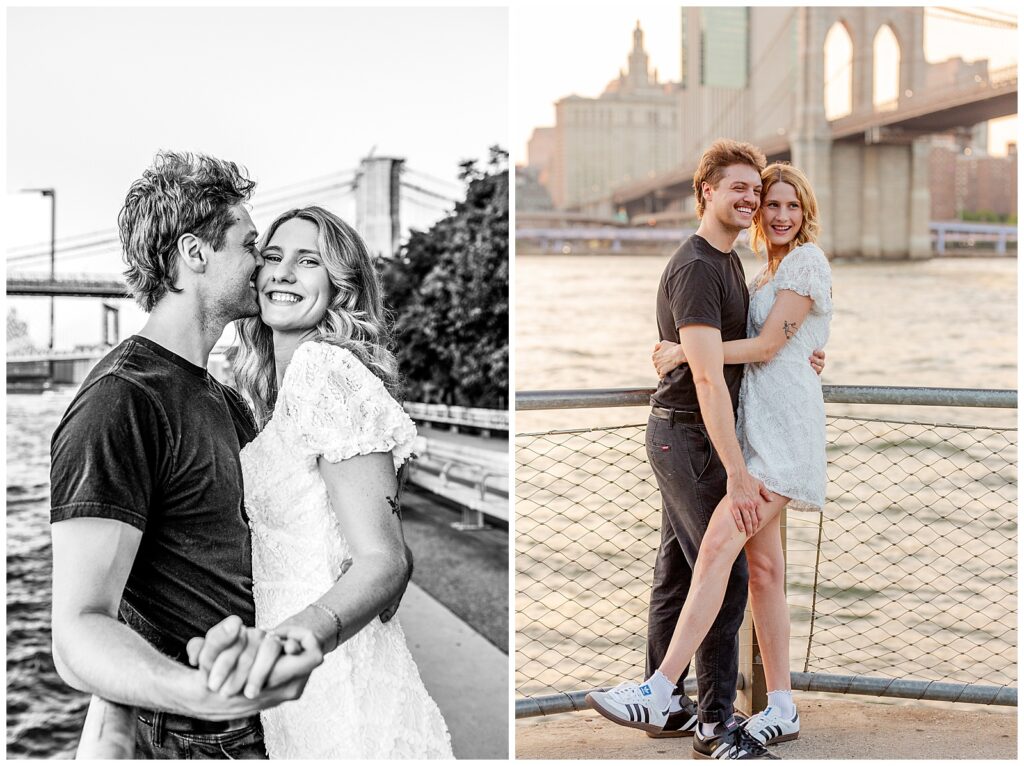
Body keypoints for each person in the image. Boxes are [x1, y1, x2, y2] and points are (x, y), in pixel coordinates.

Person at [50, 151, 326, 759]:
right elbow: (75, 630)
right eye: (250, 245)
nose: (263, 263)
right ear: (195, 253)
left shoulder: (224, 400)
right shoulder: (120, 402)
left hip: (265, 721)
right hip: (195, 735)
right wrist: (199, 692)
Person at [586, 143, 829, 760]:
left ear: (805, 210)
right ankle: (753, 710)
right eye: (755, 196)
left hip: (772, 440)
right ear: (706, 193)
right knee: (744, 571)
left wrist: (696, 352)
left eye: (780, 201)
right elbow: (756, 349)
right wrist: (706, 356)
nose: (767, 210)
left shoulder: (789, 266)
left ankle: (674, 697)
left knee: (723, 562)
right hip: (714, 436)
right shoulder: (723, 269)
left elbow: (770, 347)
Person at [189, 205, 453, 759]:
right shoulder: (276, 389)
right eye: (272, 256)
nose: (282, 273)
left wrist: (291, 639)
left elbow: (386, 560)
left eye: (307, 261)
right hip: (299, 681)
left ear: (340, 289)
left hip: (334, 674)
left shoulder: (323, 372)